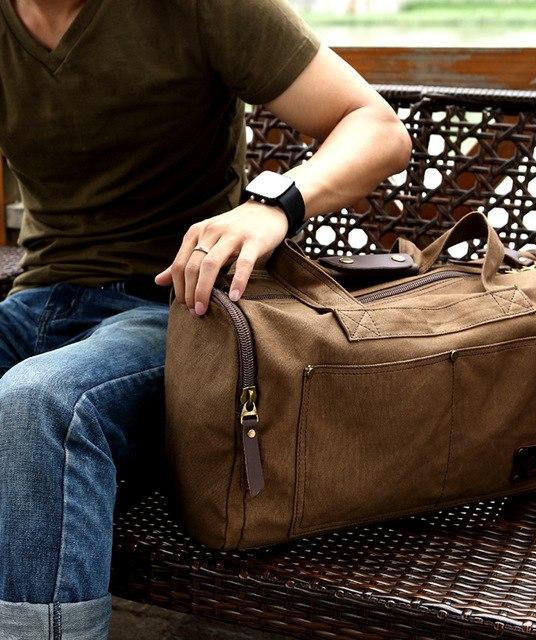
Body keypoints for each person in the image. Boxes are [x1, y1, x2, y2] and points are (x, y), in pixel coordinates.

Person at [0, 0, 412, 637]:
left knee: (38, 402)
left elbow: (379, 130)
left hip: (177, 308)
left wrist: (275, 205)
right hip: (39, 297)